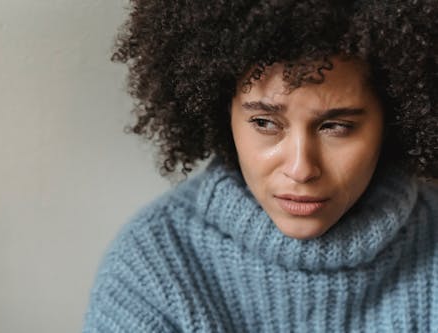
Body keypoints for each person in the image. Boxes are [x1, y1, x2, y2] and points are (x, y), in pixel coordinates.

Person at [84, 1, 438, 332]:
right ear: (224, 115)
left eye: (336, 127)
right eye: (265, 123)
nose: (301, 169)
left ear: (394, 119)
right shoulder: (151, 270)